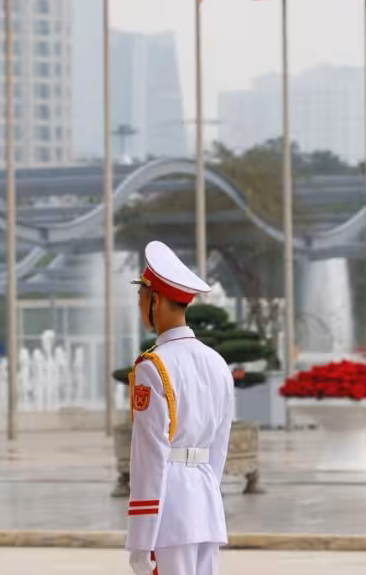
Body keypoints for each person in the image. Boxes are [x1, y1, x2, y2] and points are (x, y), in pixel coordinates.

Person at [126, 241, 235, 575]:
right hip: (205, 503)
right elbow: (219, 445)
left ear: (155, 301)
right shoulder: (217, 363)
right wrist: (205, 493)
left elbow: (150, 455)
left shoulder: (152, 367)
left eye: (142, 296)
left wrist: (141, 539)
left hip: (168, 511)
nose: (140, 303)